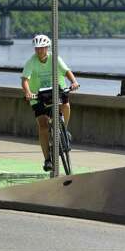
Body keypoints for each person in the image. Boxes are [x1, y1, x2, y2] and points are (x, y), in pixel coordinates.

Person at [20, 34, 80, 172]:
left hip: (56, 91)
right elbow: (25, 79)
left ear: (47, 48)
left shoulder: (55, 58)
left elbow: (66, 71)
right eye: (37, 48)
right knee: (43, 124)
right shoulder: (31, 61)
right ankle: (47, 159)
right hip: (38, 95)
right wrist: (28, 92)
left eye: (42, 48)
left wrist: (74, 82)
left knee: (65, 105)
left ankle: (64, 129)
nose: (40, 51)